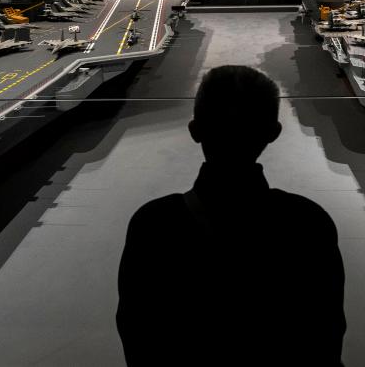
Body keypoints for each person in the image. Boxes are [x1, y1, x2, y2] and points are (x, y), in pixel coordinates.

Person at [117, 66, 345, 366]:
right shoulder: (309, 223)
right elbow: (325, 337)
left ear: (195, 130)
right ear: (273, 133)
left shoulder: (153, 224)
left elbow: (138, 338)